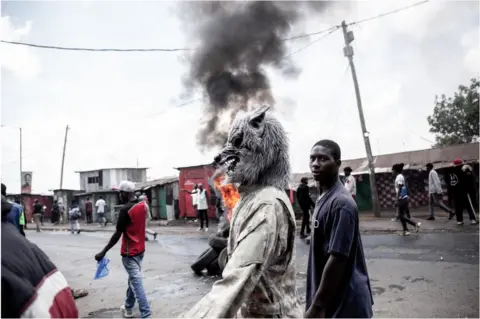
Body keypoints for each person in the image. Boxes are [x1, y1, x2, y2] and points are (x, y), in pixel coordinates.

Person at [186, 105, 300, 318]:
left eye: (238, 143)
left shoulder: (266, 205)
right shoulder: (249, 198)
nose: (221, 157)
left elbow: (234, 283)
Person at [305, 139, 373, 318]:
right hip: (332, 300)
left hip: (345, 303)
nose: (315, 164)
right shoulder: (323, 198)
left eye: (322, 159)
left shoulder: (341, 204)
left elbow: (337, 259)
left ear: (337, 164)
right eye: (312, 159)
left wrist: (317, 307)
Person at [1, 191, 79, 318]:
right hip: (15, 234)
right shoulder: (17, 210)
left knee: (39, 222)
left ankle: (38, 227)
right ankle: (39, 227)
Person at [95, 181, 151, 318]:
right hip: (140, 250)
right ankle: (128, 308)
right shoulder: (143, 205)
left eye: (120, 192)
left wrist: (103, 251)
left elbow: (117, 234)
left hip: (129, 253)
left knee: (136, 283)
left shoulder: (125, 210)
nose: (119, 195)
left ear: (126, 193)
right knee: (133, 280)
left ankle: (146, 314)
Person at [392, 164, 421, 235]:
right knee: (401, 215)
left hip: (402, 198)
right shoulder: (400, 176)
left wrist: (397, 199)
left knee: (401, 215)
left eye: (392, 170)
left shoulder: (399, 177)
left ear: (395, 170)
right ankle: (406, 230)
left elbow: (400, 187)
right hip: (403, 197)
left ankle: (415, 224)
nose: (392, 171)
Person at [449, 159, 478, 225]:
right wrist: (469, 170)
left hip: (456, 192)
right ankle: (473, 220)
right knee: (469, 205)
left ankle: (459, 221)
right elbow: (470, 179)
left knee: (458, 207)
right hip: (465, 191)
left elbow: (451, 183)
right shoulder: (464, 169)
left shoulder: (451, 171)